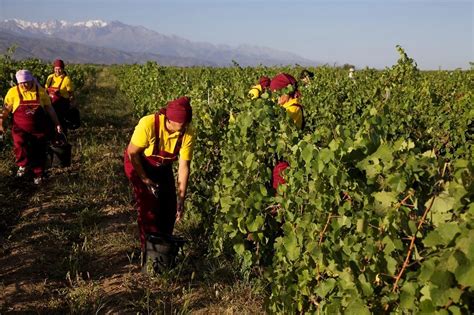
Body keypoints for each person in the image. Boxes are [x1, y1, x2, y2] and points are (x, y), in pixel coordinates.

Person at [124, 96, 195, 252]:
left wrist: (181, 197)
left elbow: (184, 166)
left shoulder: (188, 132)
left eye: (187, 124)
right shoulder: (149, 124)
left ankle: (163, 249)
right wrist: (145, 179)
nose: (185, 128)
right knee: (148, 206)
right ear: (170, 120)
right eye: (182, 125)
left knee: (169, 206)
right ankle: (148, 251)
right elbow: (133, 153)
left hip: (162, 166)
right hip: (139, 162)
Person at [0, 70, 62, 184]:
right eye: (21, 83)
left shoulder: (41, 92)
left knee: (38, 150)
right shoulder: (13, 92)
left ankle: (38, 174)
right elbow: (6, 110)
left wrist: (57, 123)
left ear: (32, 80)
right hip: (19, 128)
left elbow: (50, 109)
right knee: (19, 145)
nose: (24, 85)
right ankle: (23, 165)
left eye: (26, 82)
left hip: (38, 129)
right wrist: (1, 122)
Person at [269, 73, 305, 191]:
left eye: (278, 94)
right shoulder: (286, 107)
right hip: (283, 158)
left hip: (287, 159)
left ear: (287, 92)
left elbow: (283, 132)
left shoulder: (292, 109)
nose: (276, 98)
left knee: (282, 193)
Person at [45, 59, 75, 134]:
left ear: (63, 69)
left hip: (61, 106)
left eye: (59, 69)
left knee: (61, 123)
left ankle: (63, 139)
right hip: (50, 104)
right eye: (56, 69)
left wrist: (71, 103)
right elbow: (46, 89)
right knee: (50, 122)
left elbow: (71, 93)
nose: (57, 71)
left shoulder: (66, 79)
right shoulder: (50, 78)